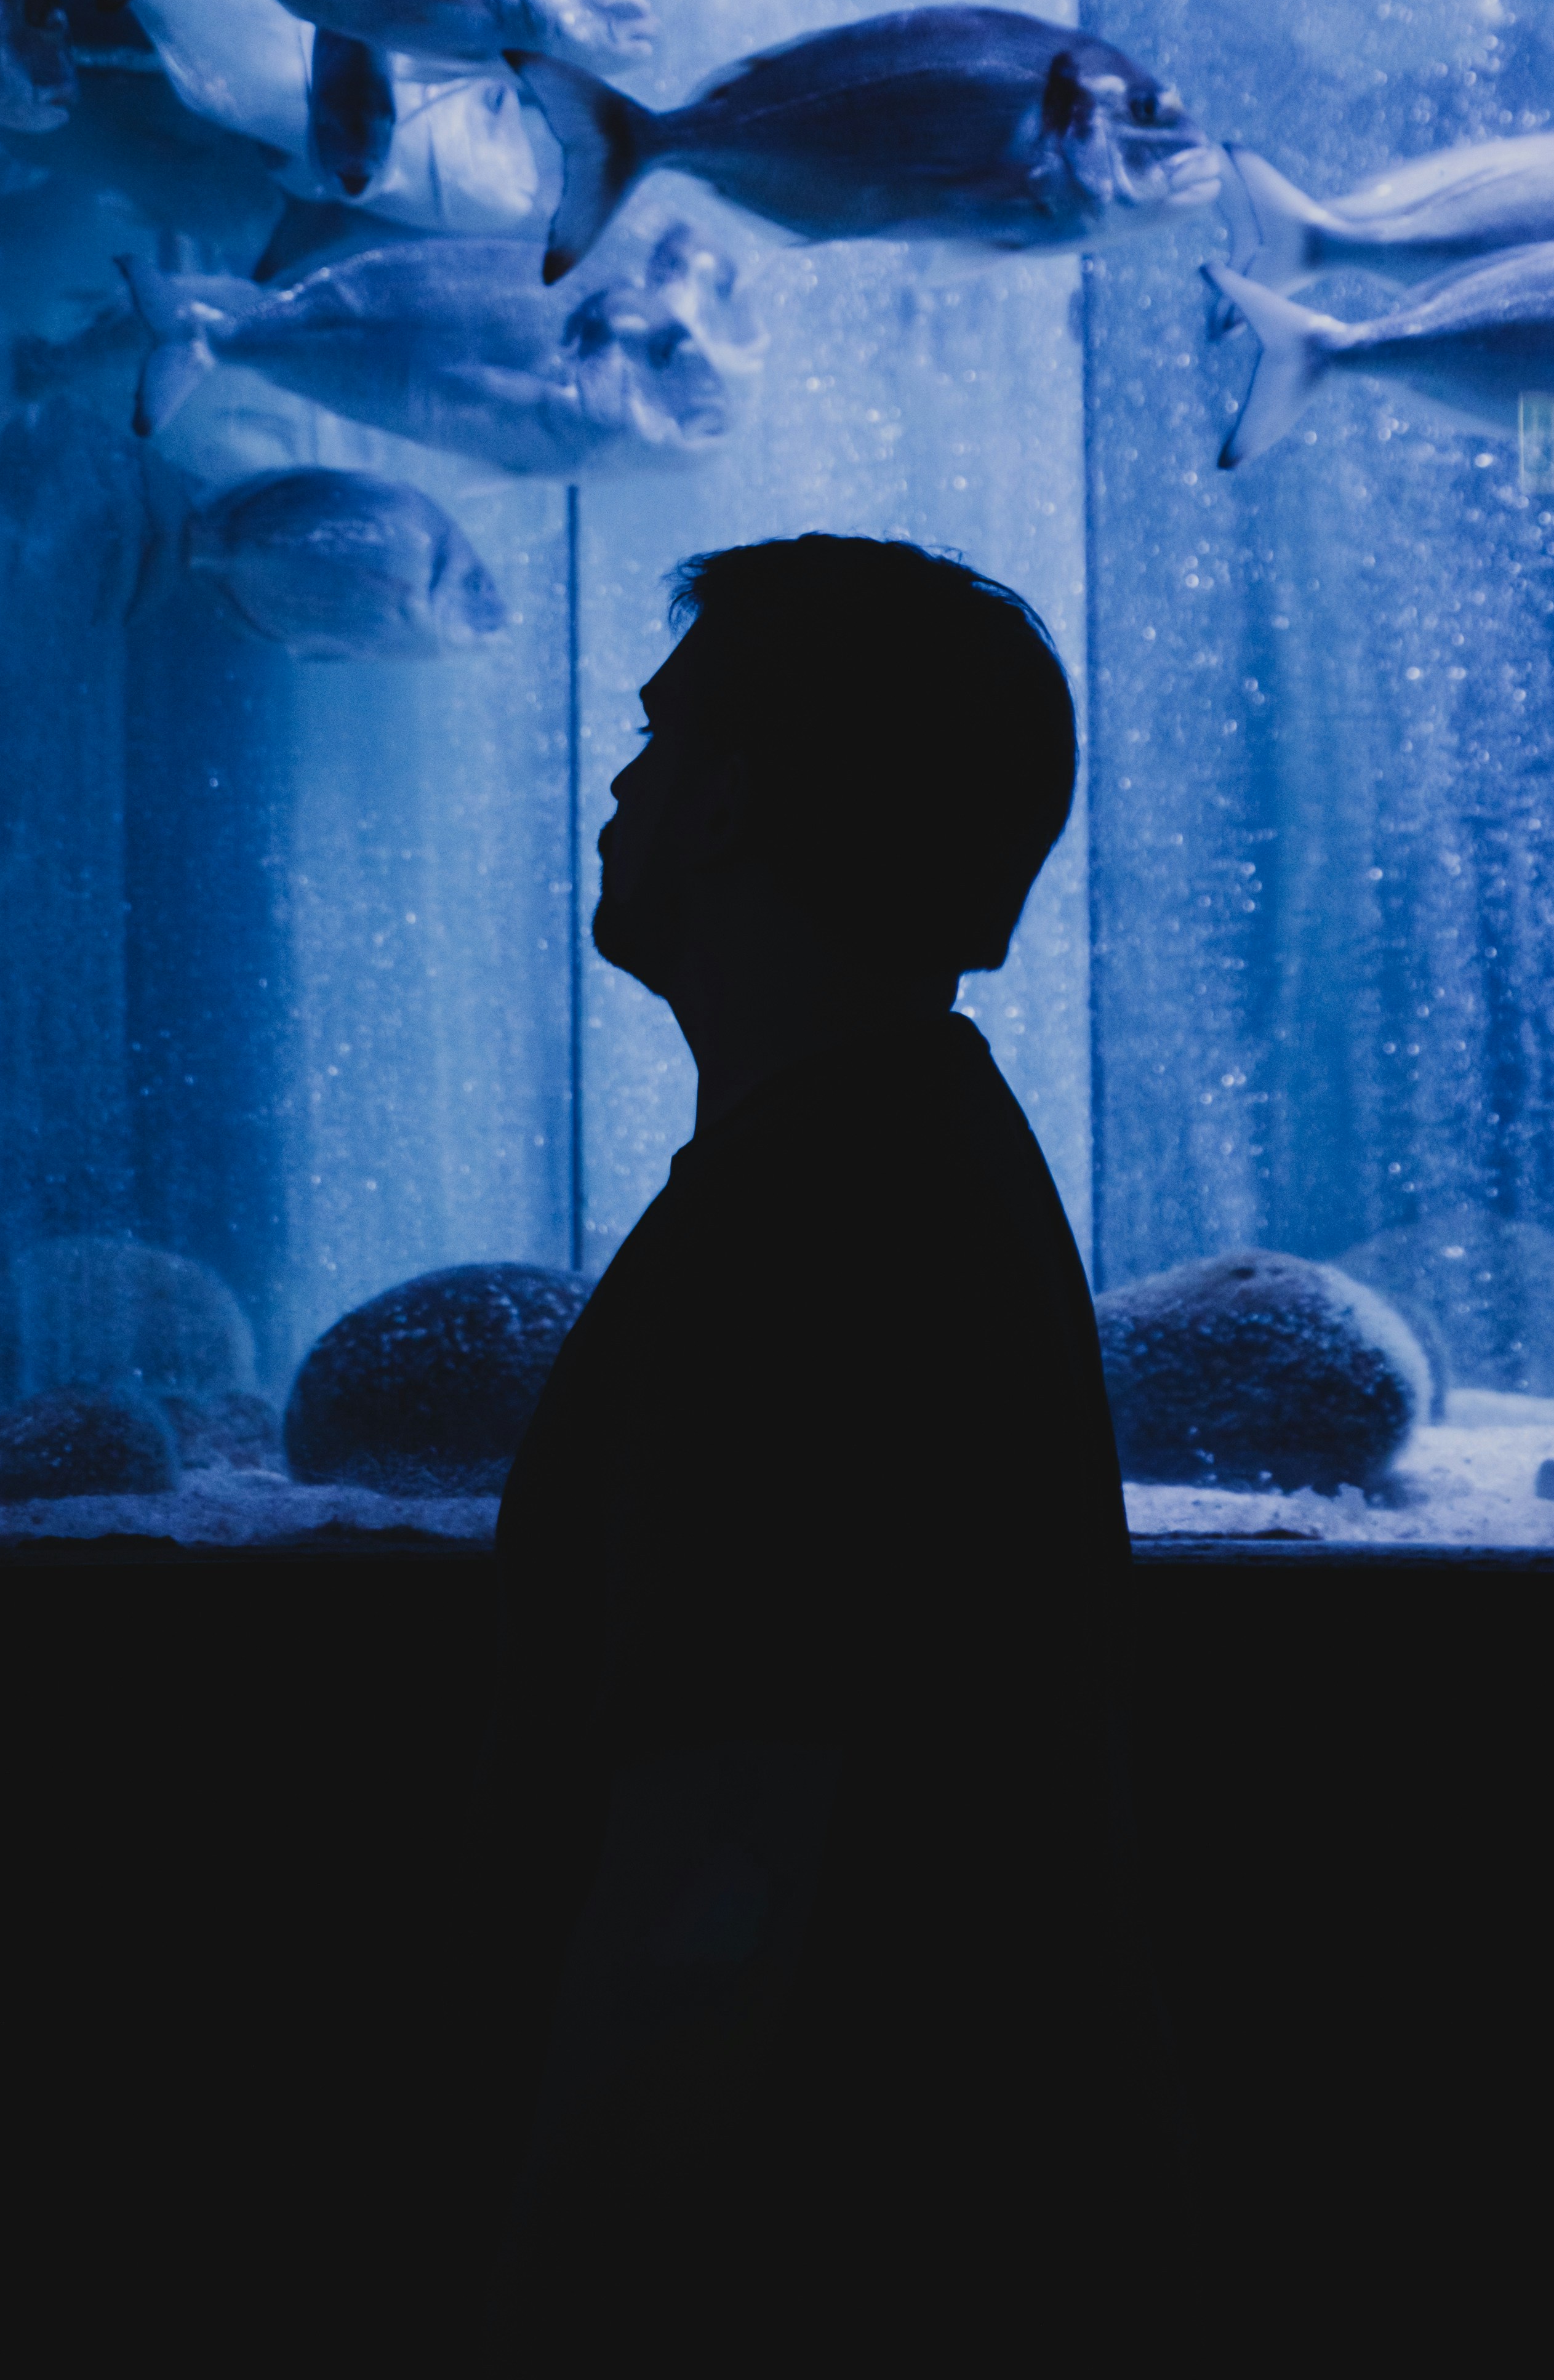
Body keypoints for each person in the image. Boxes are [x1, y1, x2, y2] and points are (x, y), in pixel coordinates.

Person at [486, 535, 1171, 2325]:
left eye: (654, 739)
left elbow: (716, 1880)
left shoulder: (808, 1235)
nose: (618, 787)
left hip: (806, 2271)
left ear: (724, 805)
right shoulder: (924, 1152)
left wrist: (548, 2301)